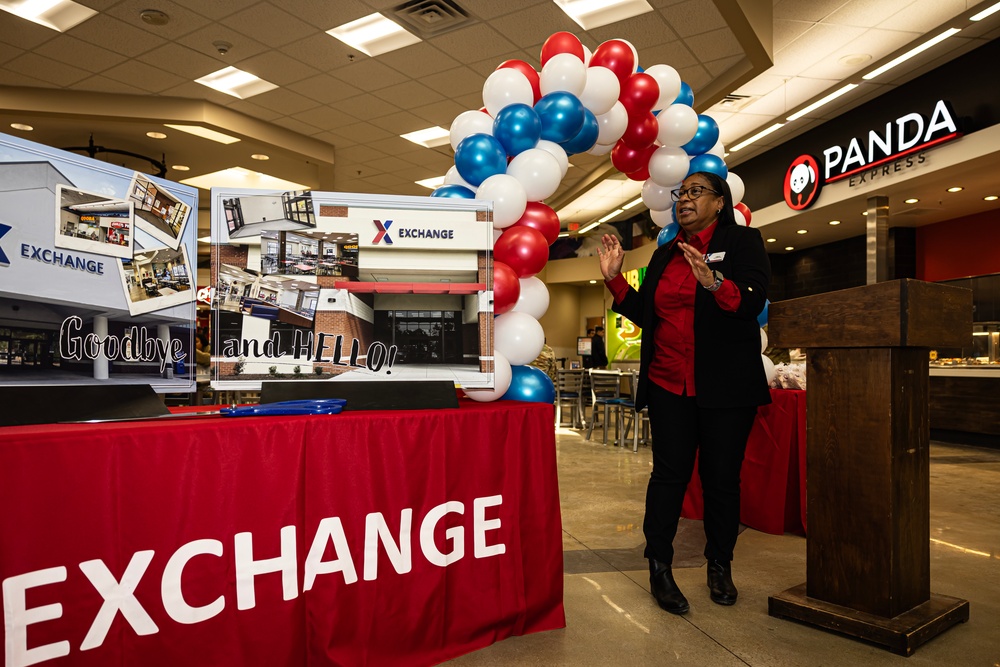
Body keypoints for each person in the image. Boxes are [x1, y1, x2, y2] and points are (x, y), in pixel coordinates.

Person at [597, 170, 771, 615]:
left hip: (726, 385)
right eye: (681, 193)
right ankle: (659, 565)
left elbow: (750, 304)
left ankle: (720, 564)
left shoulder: (745, 242)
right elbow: (647, 316)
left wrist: (713, 282)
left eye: (696, 192)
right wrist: (616, 281)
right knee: (668, 477)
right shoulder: (665, 254)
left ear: (719, 202)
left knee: (721, 481)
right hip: (668, 381)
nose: (685, 199)